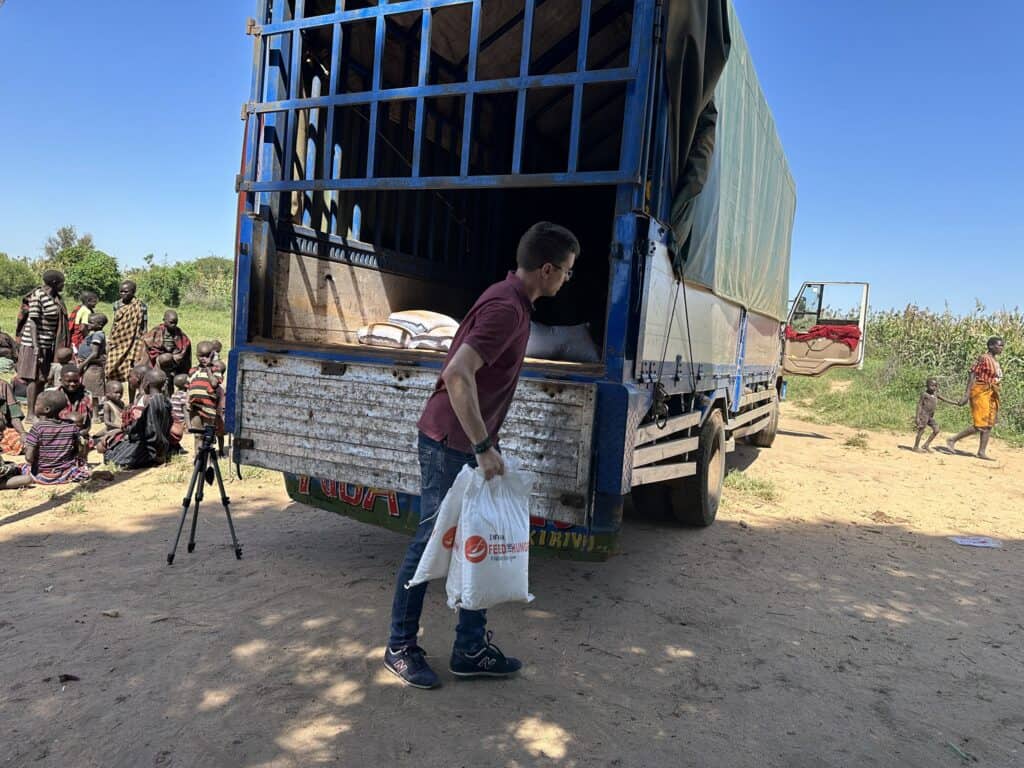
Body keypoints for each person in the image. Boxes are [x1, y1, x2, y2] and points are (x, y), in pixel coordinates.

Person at [385, 221, 580, 689]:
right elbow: (457, 374)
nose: (569, 279)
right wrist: (482, 446)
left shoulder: (513, 301)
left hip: (467, 442)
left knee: (479, 539)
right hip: (450, 443)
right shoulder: (506, 309)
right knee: (431, 543)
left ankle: (470, 649)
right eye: (568, 271)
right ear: (548, 269)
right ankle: (399, 646)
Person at [16, 270, 69, 423]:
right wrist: (36, 346)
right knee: (33, 379)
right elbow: (32, 321)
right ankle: (30, 414)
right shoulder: (38, 296)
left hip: (46, 344)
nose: (63, 285)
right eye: (61, 283)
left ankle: (38, 411)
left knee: (41, 379)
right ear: (54, 283)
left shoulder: (54, 298)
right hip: (34, 344)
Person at [947, 336, 1006, 460]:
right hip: (980, 391)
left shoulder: (995, 361)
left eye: (1002, 346)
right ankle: (952, 439)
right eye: (999, 345)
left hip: (991, 392)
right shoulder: (984, 358)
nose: (1001, 348)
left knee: (989, 423)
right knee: (980, 424)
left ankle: (981, 452)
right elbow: (972, 374)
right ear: (990, 346)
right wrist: (966, 395)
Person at [102, 369, 172, 470]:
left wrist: (127, 431)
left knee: (110, 458)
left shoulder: (152, 403)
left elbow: (150, 432)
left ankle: (152, 459)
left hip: (150, 448)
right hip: (161, 445)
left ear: (146, 383)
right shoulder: (165, 401)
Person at [20, 390, 91, 485]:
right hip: (65, 473)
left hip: (42, 474)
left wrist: (27, 450)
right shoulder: (71, 427)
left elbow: (29, 458)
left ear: (46, 409)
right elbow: (78, 449)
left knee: (21, 467)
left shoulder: (38, 428)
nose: (34, 406)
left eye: (36, 404)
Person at [105, 280, 148, 386]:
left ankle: (132, 400)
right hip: (118, 340)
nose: (123, 294)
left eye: (126, 292)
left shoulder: (141, 306)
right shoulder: (117, 305)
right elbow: (115, 323)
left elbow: (145, 325)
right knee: (111, 367)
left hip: (134, 342)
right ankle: (112, 393)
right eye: (121, 291)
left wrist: (143, 342)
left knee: (131, 371)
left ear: (133, 292)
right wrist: (110, 339)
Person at [187, 342, 225, 455]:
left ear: (212, 355)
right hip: (195, 407)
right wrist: (187, 401)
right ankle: (197, 458)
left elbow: (214, 384)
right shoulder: (192, 371)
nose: (204, 359)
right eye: (201, 356)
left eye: (207, 356)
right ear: (196, 355)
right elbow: (189, 388)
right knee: (198, 434)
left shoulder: (215, 370)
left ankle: (207, 460)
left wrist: (208, 369)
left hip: (209, 408)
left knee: (208, 435)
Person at [137, 310, 192, 376]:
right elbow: (147, 341)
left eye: (175, 323)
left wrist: (175, 355)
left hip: (174, 359)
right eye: (171, 323)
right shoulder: (156, 332)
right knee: (165, 358)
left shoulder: (179, 334)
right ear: (164, 320)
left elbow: (185, 345)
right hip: (157, 358)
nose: (174, 325)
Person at [912, 378, 959, 452]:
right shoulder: (924, 394)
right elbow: (919, 405)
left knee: (936, 430)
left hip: (930, 416)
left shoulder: (936, 394)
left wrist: (956, 403)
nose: (934, 387)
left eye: (935, 385)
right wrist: (917, 417)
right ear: (927, 386)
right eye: (932, 385)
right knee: (921, 431)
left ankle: (926, 445)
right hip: (923, 415)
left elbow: (945, 399)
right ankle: (916, 447)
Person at [50, 365, 93, 435]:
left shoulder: (86, 396)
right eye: (69, 381)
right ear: (61, 380)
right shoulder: (54, 396)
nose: (72, 384)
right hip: (58, 434)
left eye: (76, 381)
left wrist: (79, 435)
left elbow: (88, 424)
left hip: (80, 434)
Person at [77, 312, 108, 409]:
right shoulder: (94, 334)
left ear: (99, 325)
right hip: (90, 365)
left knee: (93, 391)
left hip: (93, 367)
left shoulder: (97, 336)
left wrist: (82, 364)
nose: (88, 325)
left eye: (91, 323)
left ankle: (95, 416)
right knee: (90, 389)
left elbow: (94, 353)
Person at [96, 380, 126, 451]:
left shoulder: (122, 403)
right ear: (108, 394)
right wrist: (120, 426)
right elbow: (107, 422)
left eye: (121, 393)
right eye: (116, 393)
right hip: (113, 429)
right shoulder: (107, 405)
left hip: (122, 429)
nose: (119, 395)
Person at [1, 378, 27, 456]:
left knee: (28, 444)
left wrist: (22, 433)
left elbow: (14, 415)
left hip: (4, 434)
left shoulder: (3, 385)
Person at [169, 373, 189, 450]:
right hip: (181, 419)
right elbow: (184, 409)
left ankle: (176, 446)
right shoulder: (184, 395)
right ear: (186, 385)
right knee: (178, 434)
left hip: (174, 418)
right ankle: (176, 447)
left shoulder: (174, 394)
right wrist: (187, 423)